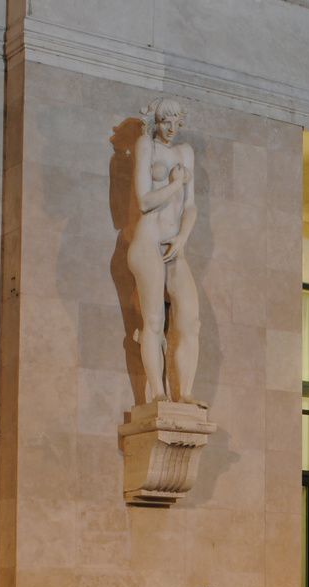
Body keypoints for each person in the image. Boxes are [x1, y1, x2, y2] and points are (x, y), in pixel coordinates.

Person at [128, 98, 200, 405]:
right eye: (165, 122)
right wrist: (175, 184)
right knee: (154, 321)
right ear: (156, 121)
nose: (171, 129)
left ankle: (184, 394)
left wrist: (183, 237)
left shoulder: (185, 152)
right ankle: (157, 394)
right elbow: (144, 201)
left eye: (176, 123)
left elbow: (191, 205)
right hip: (147, 241)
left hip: (175, 245)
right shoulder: (146, 145)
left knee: (190, 321)